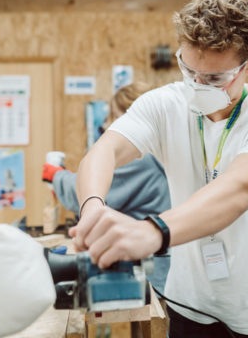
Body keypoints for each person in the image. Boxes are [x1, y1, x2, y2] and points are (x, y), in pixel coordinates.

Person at [71, 0, 248, 337]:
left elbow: (238, 191)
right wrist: (92, 209)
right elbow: (104, 151)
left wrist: (152, 232)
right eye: (187, 69)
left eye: (214, 78)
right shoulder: (163, 105)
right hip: (188, 301)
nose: (196, 85)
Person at [41, 82, 171, 293]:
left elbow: (82, 194)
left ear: (127, 116)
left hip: (155, 277)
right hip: (162, 268)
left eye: (112, 116)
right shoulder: (159, 151)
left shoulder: (142, 160)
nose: (107, 124)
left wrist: (56, 176)